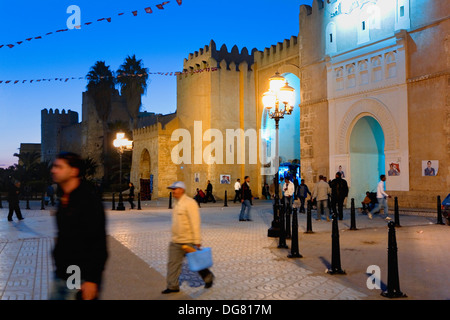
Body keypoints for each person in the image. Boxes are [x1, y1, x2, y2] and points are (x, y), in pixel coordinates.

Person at [49, 152, 108, 300]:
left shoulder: (87, 200)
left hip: (76, 274)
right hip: (62, 273)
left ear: (73, 171)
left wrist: (92, 280)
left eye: (59, 167)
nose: (53, 170)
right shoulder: (64, 198)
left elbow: (98, 242)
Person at [162, 181, 214, 294]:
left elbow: (195, 222)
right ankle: (172, 286)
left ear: (181, 189)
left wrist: (197, 240)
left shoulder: (190, 203)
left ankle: (208, 277)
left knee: (197, 262)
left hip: (188, 240)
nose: (173, 191)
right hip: (176, 240)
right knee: (173, 263)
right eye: (172, 189)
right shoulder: (176, 203)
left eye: (175, 189)